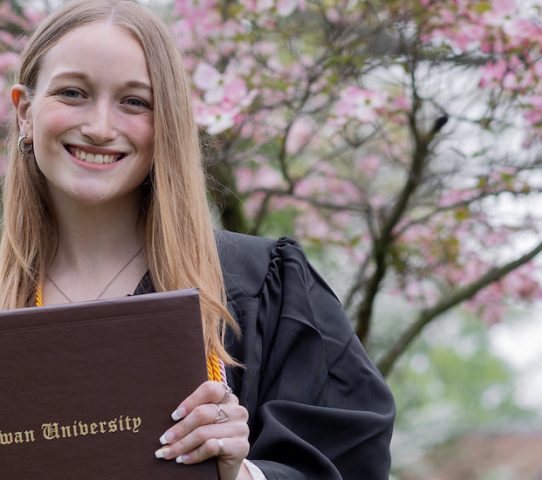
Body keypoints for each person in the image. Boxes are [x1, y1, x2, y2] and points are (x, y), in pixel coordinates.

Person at [0, 1, 395, 479]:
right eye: (72, 93)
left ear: (168, 121)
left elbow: (351, 463)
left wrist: (241, 473)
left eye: (135, 102)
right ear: (24, 112)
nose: (100, 127)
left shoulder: (263, 284)